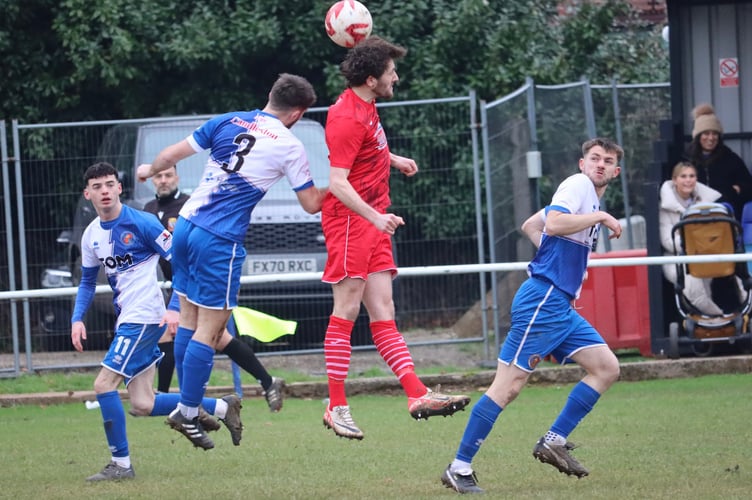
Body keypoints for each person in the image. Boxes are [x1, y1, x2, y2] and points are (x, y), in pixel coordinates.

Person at [136, 73, 327, 450]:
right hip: (219, 240)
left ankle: (189, 408)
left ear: (269, 95)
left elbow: (170, 156)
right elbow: (311, 204)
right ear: (298, 113)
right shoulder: (289, 144)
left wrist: (147, 169)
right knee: (213, 330)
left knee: (189, 322)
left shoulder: (227, 120)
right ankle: (188, 411)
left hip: (186, 227)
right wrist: (338, 180)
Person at [440, 138, 624, 494]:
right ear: (582, 163)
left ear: (615, 172)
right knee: (507, 388)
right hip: (543, 301)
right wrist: (600, 216)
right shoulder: (578, 186)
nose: (600, 164)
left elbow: (530, 225)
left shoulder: (586, 196)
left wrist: (556, 256)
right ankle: (459, 467)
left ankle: (554, 440)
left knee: (606, 368)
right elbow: (552, 223)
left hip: (559, 306)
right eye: (594, 158)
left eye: (608, 161)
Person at [320, 36, 470, 441]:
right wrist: (374, 216)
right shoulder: (347, 116)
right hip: (352, 221)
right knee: (346, 310)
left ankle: (416, 394)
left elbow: (363, 152)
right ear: (371, 79)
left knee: (383, 309)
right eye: (391, 72)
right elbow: (336, 182)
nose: (396, 77)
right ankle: (336, 405)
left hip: (372, 221)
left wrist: (392, 159)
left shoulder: (366, 107)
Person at [70, 162, 243, 481]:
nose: (105, 191)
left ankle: (121, 466)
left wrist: (176, 305)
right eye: (97, 187)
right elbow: (87, 282)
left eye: (110, 184)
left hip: (144, 318)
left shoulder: (143, 223)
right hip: (128, 320)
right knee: (143, 403)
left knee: (102, 384)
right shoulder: (92, 234)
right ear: (88, 193)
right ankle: (222, 406)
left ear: (119, 188)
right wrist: (77, 319)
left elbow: (181, 261)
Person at [143, 164, 284, 412]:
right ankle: (267, 381)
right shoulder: (149, 210)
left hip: (195, 281)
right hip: (175, 283)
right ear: (153, 181)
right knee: (217, 338)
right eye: (158, 176)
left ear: (177, 176)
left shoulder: (189, 206)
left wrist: (176, 303)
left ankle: (174, 401)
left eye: (168, 175)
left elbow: (192, 254)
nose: (163, 180)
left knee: (191, 334)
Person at [659, 161, 743, 315]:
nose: (688, 180)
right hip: (677, 258)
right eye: (683, 176)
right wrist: (694, 243)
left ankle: (743, 313)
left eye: (692, 176)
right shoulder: (664, 208)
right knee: (694, 289)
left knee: (740, 270)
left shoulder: (706, 203)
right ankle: (719, 318)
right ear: (674, 179)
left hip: (707, 254)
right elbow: (667, 242)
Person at [685, 103, 752, 221]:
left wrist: (736, 191)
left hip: (727, 218)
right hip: (694, 218)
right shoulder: (686, 159)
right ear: (698, 136)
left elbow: (749, 187)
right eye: (706, 133)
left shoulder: (731, 159)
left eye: (715, 133)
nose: (711, 138)